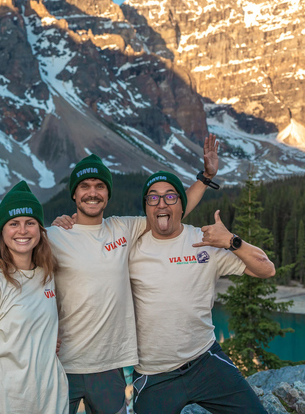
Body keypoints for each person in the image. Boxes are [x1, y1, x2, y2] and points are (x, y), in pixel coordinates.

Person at [49, 135, 220, 414]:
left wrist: (205, 177)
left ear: (108, 194)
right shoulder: (55, 235)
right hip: (62, 365)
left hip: (110, 366)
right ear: (74, 194)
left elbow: (171, 210)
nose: (92, 192)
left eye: (100, 186)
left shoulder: (123, 229)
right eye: (84, 186)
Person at [129, 171, 275, 414]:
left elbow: (266, 269)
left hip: (205, 362)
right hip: (154, 376)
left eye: (170, 197)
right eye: (153, 198)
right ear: (146, 206)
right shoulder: (131, 247)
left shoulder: (205, 240)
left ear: (182, 204)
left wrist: (231, 240)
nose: (162, 203)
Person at [0, 181, 68, 414]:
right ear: (2, 231)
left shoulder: (46, 274)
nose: (22, 230)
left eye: (30, 223)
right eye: (14, 223)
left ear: (40, 229)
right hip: (5, 402)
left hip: (51, 400)